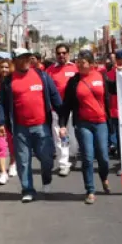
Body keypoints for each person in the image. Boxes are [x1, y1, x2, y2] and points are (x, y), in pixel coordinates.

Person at [0, 49, 62, 203]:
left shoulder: (42, 76)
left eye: (28, 57)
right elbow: (0, 103)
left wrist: (63, 117)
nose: (26, 60)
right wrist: (1, 122)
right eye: (22, 58)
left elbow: (54, 96)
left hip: (41, 126)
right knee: (23, 160)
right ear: (15, 61)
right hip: (20, 128)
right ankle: (28, 189)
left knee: (47, 158)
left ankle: (46, 178)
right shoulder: (8, 81)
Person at [59, 51, 111, 204]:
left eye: (84, 62)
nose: (81, 65)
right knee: (87, 157)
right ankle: (90, 190)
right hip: (83, 123)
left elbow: (114, 89)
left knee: (103, 157)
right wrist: (62, 125)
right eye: (79, 62)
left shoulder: (101, 77)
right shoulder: (74, 81)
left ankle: (104, 177)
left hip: (101, 122)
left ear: (91, 63)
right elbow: (67, 104)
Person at [47, 43, 79, 177]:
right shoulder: (49, 71)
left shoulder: (75, 68)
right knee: (61, 137)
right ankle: (63, 163)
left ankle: (72, 154)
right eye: (59, 53)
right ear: (55, 55)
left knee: (73, 138)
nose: (61, 55)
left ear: (68, 53)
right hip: (57, 110)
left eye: (64, 53)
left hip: (73, 110)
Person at [0, 59, 16, 184]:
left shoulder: (14, 82)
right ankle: (3, 172)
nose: (4, 70)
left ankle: (12, 163)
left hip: (12, 118)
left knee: (12, 144)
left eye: (7, 67)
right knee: (0, 146)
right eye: (2, 67)